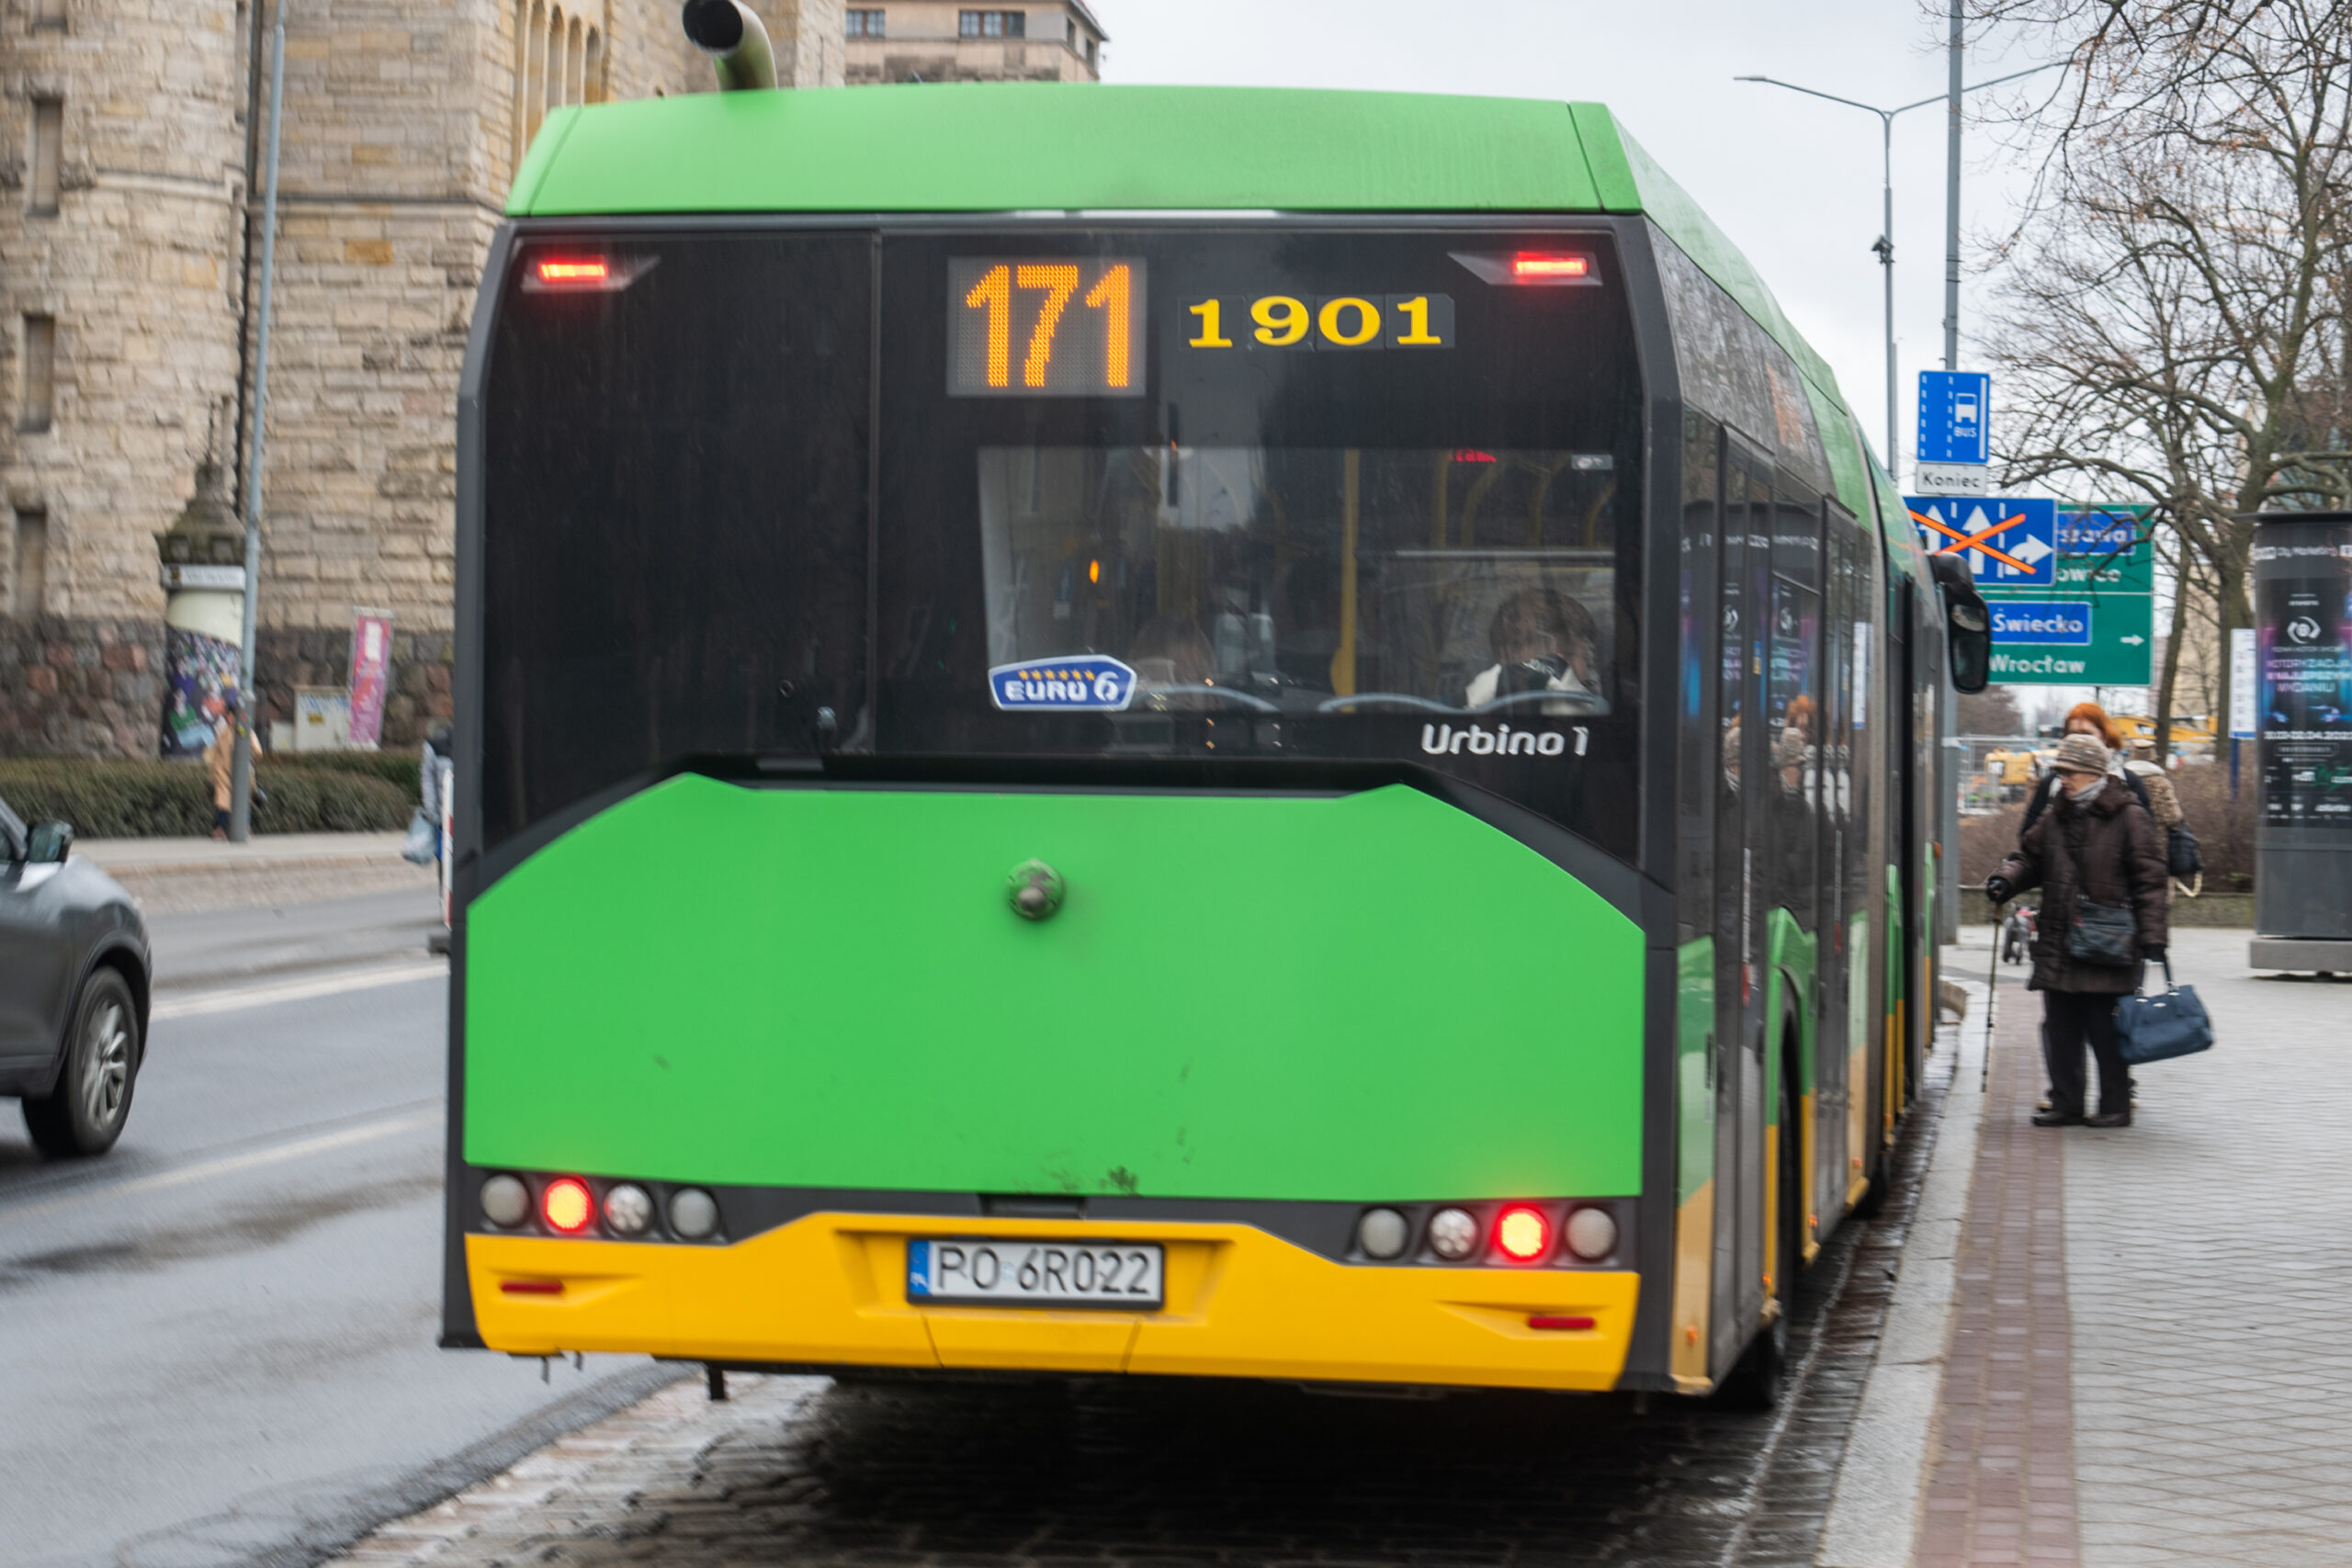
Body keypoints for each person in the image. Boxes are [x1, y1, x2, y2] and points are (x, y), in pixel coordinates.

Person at [1985, 731, 2168, 1129]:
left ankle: (2115, 1106)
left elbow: (2151, 881)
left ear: (2093, 773)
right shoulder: (2057, 813)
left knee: (2106, 1030)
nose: (2063, 779)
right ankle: (2066, 1103)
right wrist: (2005, 879)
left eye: (2070, 772)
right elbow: (2028, 857)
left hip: (2109, 943)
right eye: (2061, 771)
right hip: (2060, 940)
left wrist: (2154, 938)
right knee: (2060, 1029)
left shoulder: (2129, 815)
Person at [2019, 701, 2149, 835]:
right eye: (2073, 734)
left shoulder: (2129, 782)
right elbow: (2029, 837)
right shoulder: (2051, 784)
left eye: (2087, 734)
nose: (2080, 741)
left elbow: (2145, 838)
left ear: (2104, 735)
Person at [1464, 586, 1599, 710]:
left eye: (1588, 662)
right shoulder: (1485, 693)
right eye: (1560, 659)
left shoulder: (1594, 698)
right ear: (1509, 655)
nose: (1583, 670)